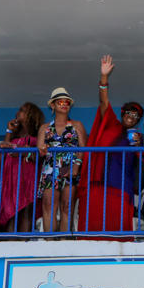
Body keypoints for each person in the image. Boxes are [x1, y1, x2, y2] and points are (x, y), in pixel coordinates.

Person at [77, 55, 144, 235]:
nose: (131, 116)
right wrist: (104, 77)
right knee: (94, 225)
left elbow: (141, 165)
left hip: (121, 185)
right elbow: (104, 102)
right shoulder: (110, 124)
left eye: (136, 115)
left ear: (138, 120)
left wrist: (138, 147)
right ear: (122, 114)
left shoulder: (137, 137)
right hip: (98, 182)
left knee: (117, 228)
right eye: (129, 112)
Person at [37, 88, 87, 233]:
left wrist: (76, 167)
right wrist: (43, 149)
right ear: (53, 105)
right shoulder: (44, 127)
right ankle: (50, 240)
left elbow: (83, 148)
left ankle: (64, 239)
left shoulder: (77, 125)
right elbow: (40, 150)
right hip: (50, 168)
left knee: (67, 206)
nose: (64, 104)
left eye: (67, 102)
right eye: (60, 102)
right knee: (49, 205)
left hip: (70, 167)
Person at [0, 102, 45, 232]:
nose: (18, 112)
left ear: (30, 115)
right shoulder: (14, 137)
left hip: (28, 177)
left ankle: (23, 241)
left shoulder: (36, 137)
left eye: (22, 110)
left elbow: (39, 157)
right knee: (10, 211)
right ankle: (10, 241)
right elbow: (4, 149)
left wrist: (24, 152)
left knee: (26, 210)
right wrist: (9, 131)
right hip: (10, 178)